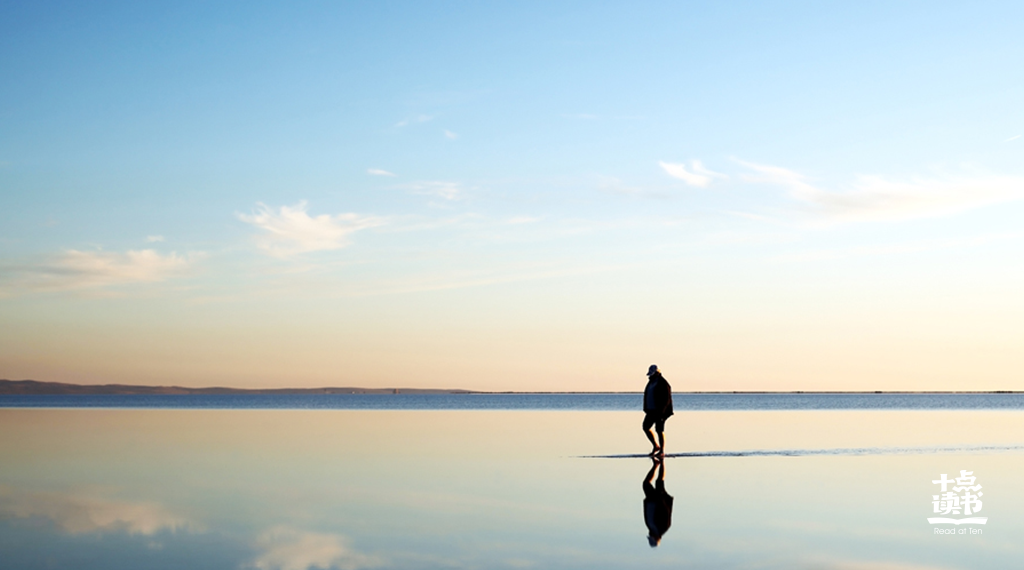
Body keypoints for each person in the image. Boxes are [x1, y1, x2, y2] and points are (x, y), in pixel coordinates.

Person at [642, 364, 673, 456]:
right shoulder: (650, 382)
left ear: (657, 373)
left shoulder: (663, 383)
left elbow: (666, 399)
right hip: (650, 411)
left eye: (652, 373)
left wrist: (662, 412)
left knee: (659, 430)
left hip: (660, 412)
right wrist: (645, 408)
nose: (651, 375)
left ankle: (662, 450)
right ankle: (655, 446)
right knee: (645, 427)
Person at [643, 456, 674, 547]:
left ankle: (657, 465)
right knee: (659, 481)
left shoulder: (652, 528)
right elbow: (666, 512)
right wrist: (662, 500)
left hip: (653, 501)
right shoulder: (663, 527)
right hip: (658, 500)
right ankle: (660, 463)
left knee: (647, 483)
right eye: (651, 537)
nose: (650, 535)